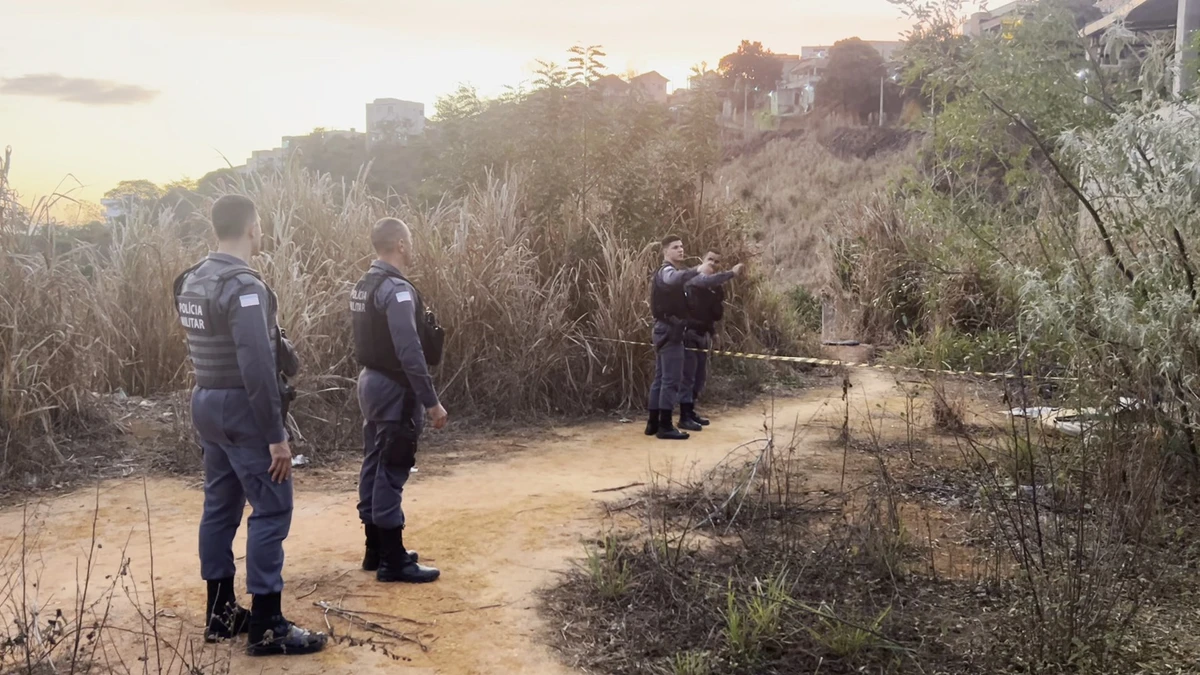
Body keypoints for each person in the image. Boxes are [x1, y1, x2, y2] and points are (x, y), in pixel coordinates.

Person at [173, 195, 326, 657]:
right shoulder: (245, 286)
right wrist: (276, 437)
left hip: (205, 400)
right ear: (253, 228)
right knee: (272, 508)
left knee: (219, 507)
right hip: (242, 407)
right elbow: (258, 367)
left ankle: (220, 615)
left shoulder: (191, 280)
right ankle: (267, 624)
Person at [351, 217, 446, 584]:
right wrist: (431, 401)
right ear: (401, 245)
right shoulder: (396, 289)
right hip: (394, 388)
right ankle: (393, 559)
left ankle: (375, 548)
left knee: (374, 460)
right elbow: (410, 351)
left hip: (370, 382)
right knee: (393, 465)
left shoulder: (363, 284)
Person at [645, 236, 740, 439]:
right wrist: (697, 269)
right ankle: (665, 426)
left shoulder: (676, 273)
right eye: (675, 247)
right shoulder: (667, 272)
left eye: (682, 246)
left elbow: (705, 281)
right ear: (665, 252)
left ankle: (653, 423)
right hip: (671, 331)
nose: (681, 250)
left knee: (662, 378)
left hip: (668, 330)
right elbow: (675, 279)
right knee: (671, 380)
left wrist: (729, 274)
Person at [680, 251, 742, 428]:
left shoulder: (714, 288)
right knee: (688, 377)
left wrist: (714, 333)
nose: (713, 264)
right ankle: (684, 416)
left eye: (717, 261)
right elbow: (707, 280)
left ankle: (690, 412)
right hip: (689, 334)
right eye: (710, 260)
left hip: (703, 334)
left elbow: (710, 314)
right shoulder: (694, 279)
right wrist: (732, 273)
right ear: (702, 261)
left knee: (699, 377)